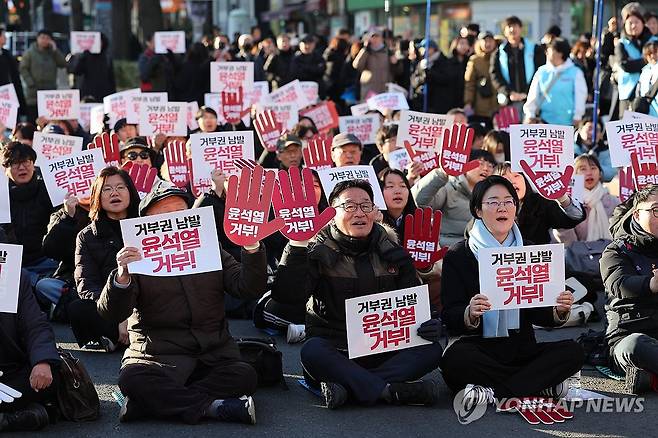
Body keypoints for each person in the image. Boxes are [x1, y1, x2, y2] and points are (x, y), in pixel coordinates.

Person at [97, 180, 268, 424]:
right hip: (157, 357)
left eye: (180, 214)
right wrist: (122, 276)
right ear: (145, 222)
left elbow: (247, 287)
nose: (173, 223)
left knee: (245, 375)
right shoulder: (135, 259)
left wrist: (252, 249)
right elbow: (112, 312)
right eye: (164, 216)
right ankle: (214, 407)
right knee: (132, 379)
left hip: (212, 353)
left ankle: (149, 406)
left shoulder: (210, 249)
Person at [272, 180, 443, 409]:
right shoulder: (315, 251)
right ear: (332, 213)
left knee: (431, 349)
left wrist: (431, 324)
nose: (359, 213)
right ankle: (390, 390)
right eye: (350, 206)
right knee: (312, 351)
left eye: (366, 206)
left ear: (375, 212)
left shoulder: (393, 251)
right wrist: (296, 246)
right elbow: (287, 298)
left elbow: (414, 307)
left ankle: (355, 388)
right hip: (337, 351)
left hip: (385, 351)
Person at [441, 175, 583, 407]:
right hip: (481, 349)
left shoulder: (530, 251)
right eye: (493, 202)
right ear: (478, 210)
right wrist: (470, 312)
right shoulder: (459, 255)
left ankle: (496, 393)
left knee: (573, 351)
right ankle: (537, 385)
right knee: (455, 360)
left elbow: (540, 315)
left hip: (523, 350)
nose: (502, 207)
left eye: (509, 201)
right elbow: (449, 314)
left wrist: (558, 310)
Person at [70, 167, 140, 352]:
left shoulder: (147, 224)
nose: (114, 193)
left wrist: (132, 315)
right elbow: (87, 285)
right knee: (79, 308)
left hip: (145, 305)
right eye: (107, 189)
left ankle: (120, 337)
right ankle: (119, 334)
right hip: (110, 305)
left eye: (120, 187)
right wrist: (118, 316)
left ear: (131, 192)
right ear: (97, 197)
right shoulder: (86, 236)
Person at [600, 184, 658, 394]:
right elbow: (618, 283)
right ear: (636, 215)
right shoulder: (617, 250)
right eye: (656, 210)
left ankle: (648, 377)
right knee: (637, 345)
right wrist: (651, 284)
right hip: (630, 333)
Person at [0, 271, 60, 432]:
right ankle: (10, 420)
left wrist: (42, 360)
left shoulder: (13, 273)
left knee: (48, 374)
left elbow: (35, 324)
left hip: (10, 370)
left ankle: (10, 416)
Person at [411, 149, 496, 247]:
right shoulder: (448, 187)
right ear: (465, 165)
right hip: (447, 249)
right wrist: (441, 174)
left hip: (478, 250)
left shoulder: (493, 196)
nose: (486, 169)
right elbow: (418, 202)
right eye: (480, 163)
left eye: (490, 166)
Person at [1, 142, 56, 286]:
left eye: (26, 162)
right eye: (15, 163)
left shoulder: (49, 190)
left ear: (33, 164)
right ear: (5, 168)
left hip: (46, 261)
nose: (21, 168)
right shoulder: (2, 196)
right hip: (12, 264)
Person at [493, 162, 585, 244]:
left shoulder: (540, 203)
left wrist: (562, 198)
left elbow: (572, 218)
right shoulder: (489, 209)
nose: (512, 181)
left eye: (516, 176)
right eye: (505, 177)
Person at [555, 155, 619, 245]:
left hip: (610, 255)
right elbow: (567, 242)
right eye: (583, 169)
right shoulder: (569, 204)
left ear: (600, 173)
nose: (589, 173)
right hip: (579, 256)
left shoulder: (614, 202)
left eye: (593, 168)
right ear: (574, 175)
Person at [523, 38, 587, 126]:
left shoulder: (575, 72)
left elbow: (580, 96)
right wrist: (530, 114)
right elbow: (533, 95)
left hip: (567, 124)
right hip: (543, 122)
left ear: (559, 53)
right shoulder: (542, 71)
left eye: (549, 49)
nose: (546, 52)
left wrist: (577, 116)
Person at [490, 16, 546, 114]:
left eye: (515, 26)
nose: (512, 29)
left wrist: (527, 92)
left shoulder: (535, 49)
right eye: (509, 26)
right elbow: (495, 75)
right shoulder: (499, 52)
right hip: (508, 101)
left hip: (531, 99)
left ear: (521, 29)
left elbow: (541, 71)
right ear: (505, 31)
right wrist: (509, 92)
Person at [18, 29, 67, 122]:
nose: (44, 40)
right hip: (33, 93)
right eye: (42, 37)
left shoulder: (53, 53)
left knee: (48, 120)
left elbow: (63, 64)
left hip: (49, 93)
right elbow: (23, 68)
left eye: (47, 38)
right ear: (37, 38)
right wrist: (30, 83)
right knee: (33, 119)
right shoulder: (30, 53)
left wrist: (55, 50)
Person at [615, 7, 654, 116]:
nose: (633, 26)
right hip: (628, 95)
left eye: (636, 22)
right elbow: (625, 66)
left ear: (643, 23)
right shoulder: (621, 44)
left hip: (651, 94)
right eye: (630, 23)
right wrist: (647, 61)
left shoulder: (653, 42)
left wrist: (636, 62)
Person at [353, 30, 401, 100]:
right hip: (369, 91)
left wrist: (396, 63)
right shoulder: (366, 51)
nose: (375, 39)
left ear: (381, 38)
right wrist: (365, 49)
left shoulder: (388, 52)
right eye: (372, 37)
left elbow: (398, 71)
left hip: (384, 91)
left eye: (377, 37)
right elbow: (357, 65)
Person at [67, 33, 116, 102]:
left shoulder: (106, 57)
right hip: (87, 95)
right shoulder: (85, 56)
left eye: (100, 42)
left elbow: (111, 78)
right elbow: (75, 71)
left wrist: (113, 95)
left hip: (104, 95)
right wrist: (81, 57)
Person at [464, 31, 499, 127]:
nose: (488, 44)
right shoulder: (475, 60)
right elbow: (469, 83)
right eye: (484, 41)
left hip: (499, 105)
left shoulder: (501, 57)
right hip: (481, 107)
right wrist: (468, 102)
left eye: (490, 40)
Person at [573, 116, 615, 182]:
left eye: (597, 130)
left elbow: (610, 173)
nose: (592, 133)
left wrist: (593, 163)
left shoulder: (605, 150)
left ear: (601, 135)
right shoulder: (569, 145)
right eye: (589, 128)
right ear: (580, 130)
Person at [379, 168, 416, 240]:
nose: (398, 191)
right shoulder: (373, 223)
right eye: (390, 186)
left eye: (402, 186)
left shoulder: (421, 221)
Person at [0, 25, 26, 114]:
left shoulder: (7, 54)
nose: (5, 38)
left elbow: (14, 75)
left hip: (8, 94)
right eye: (3, 36)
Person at [638, 41, 658, 117]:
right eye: (649, 54)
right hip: (646, 109)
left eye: (655, 52)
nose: (652, 56)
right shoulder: (645, 70)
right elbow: (639, 89)